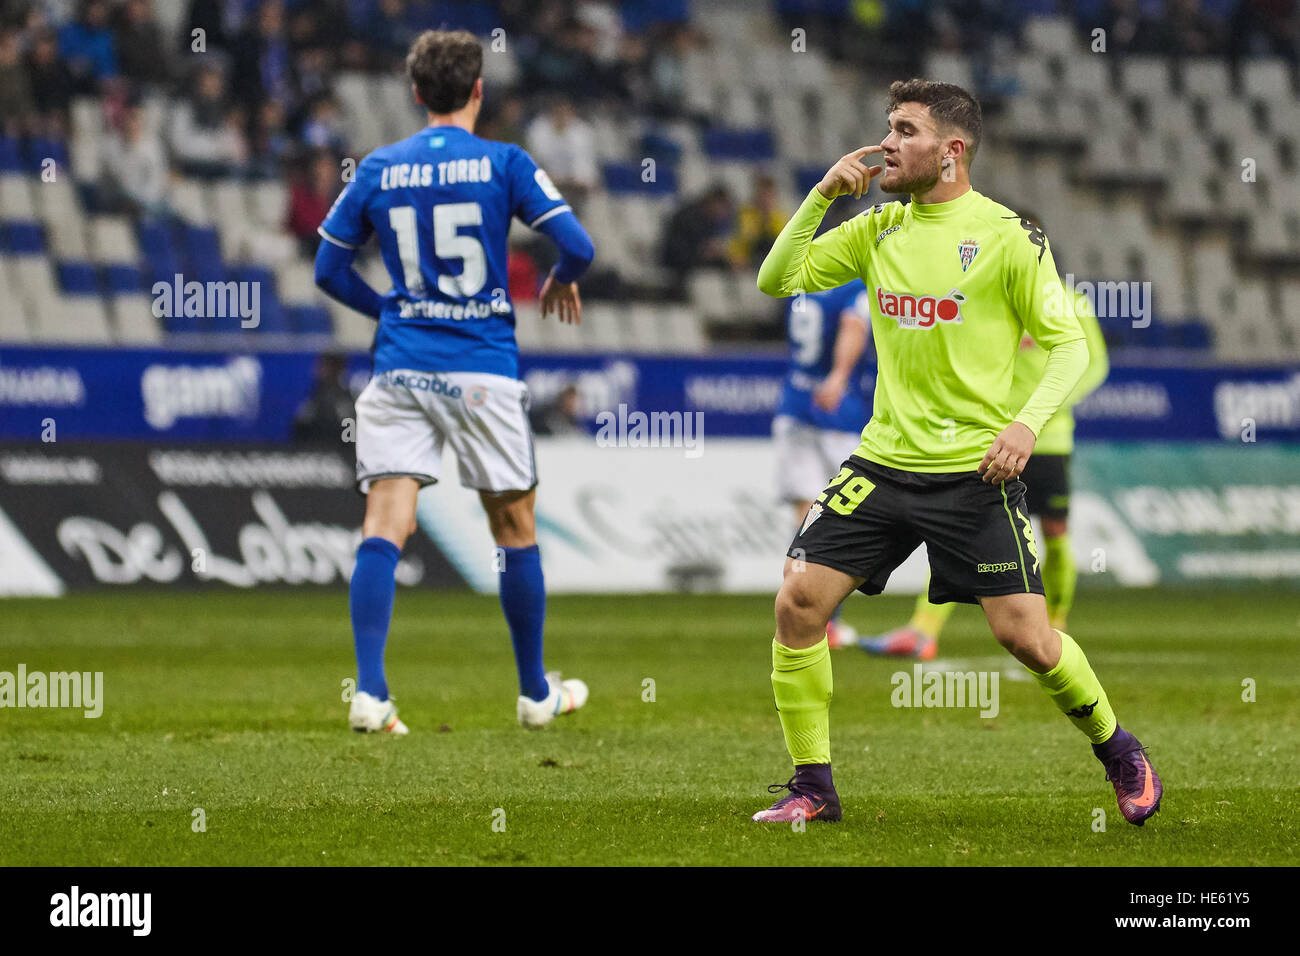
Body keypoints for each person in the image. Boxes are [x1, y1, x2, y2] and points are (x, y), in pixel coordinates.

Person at [751, 79, 1162, 828]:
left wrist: (1027, 425)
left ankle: (1118, 748)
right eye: (886, 128)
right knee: (798, 602)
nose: (885, 145)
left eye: (904, 130)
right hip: (881, 462)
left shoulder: (1008, 235)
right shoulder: (878, 228)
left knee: (1028, 640)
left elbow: (1070, 346)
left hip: (973, 471)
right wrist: (820, 196)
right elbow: (777, 279)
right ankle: (813, 784)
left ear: (952, 150)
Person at [313, 29, 595, 734]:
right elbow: (579, 246)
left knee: (384, 522)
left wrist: (391, 313)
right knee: (514, 526)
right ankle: (534, 692)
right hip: (481, 371)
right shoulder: (505, 161)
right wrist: (561, 279)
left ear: (415, 94)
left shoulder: (380, 165)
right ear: (478, 91)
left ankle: (372, 693)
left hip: (402, 367)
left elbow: (327, 269)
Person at [863, 212, 1110, 659]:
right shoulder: (983, 293)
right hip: (987, 435)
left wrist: (1044, 410)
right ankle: (923, 630)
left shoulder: (1069, 302)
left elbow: (1093, 365)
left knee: (1054, 531)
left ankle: (1055, 626)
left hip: (1047, 438)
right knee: (955, 527)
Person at [772, 280, 871, 649]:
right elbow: (853, 326)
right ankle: (826, 618)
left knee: (805, 515)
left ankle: (797, 607)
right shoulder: (855, 287)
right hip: (838, 414)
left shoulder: (799, 286)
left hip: (794, 404)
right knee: (841, 517)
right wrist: (839, 376)